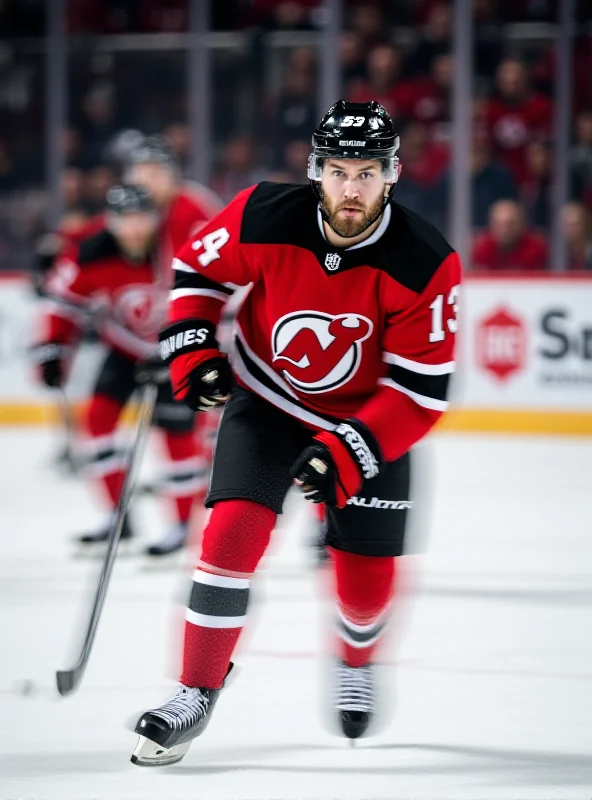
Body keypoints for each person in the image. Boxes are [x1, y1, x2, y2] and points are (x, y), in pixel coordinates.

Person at [130, 100, 461, 766]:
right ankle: (195, 689)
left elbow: (421, 392)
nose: (351, 188)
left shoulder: (425, 261)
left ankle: (357, 657)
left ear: (392, 175)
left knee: (362, 587)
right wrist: (193, 350)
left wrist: (349, 449)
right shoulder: (261, 214)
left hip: (367, 419)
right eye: (338, 171)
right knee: (227, 536)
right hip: (267, 397)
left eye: (368, 173)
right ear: (316, 171)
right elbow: (197, 272)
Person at [33, 185, 207, 559]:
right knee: (96, 420)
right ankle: (118, 515)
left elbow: (212, 296)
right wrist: (52, 349)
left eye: (141, 218)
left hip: (176, 349)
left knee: (178, 436)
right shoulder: (93, 252)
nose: (133, 228)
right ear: (110, 222)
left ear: (155, 218)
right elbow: (62, 304)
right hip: (126, 347)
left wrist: (187, 341)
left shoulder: (177, 245)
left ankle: (181, 525)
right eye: (124, 220)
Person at [472, 199, 548, 271]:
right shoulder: (482, 250)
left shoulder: (536, 249)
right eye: (498, 225)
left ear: (520, 224)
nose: (504, 230)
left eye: (510, 224)